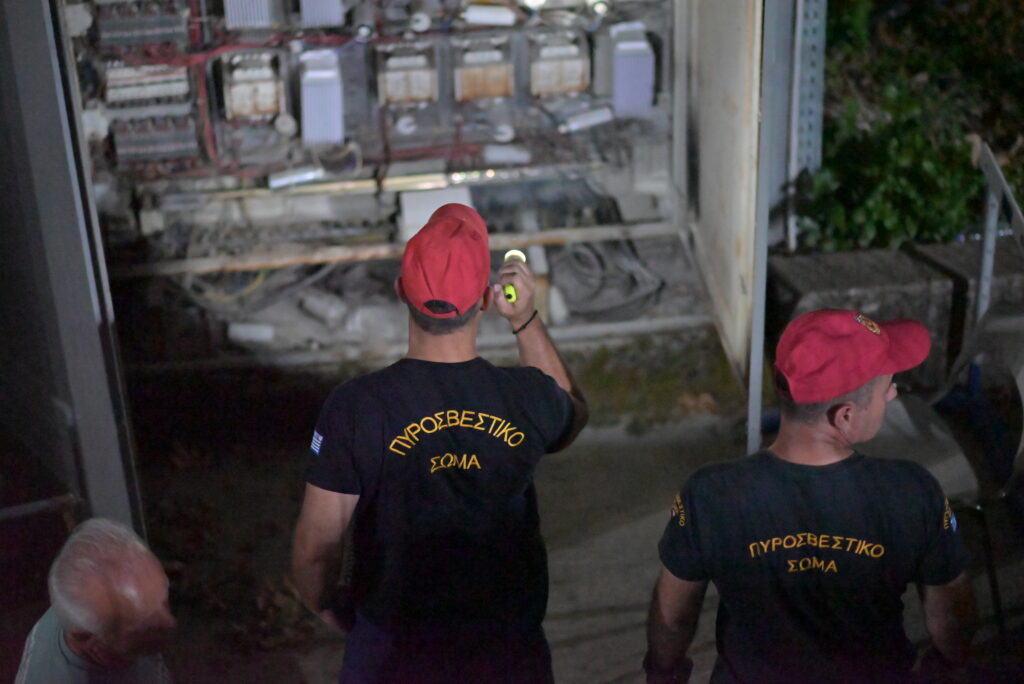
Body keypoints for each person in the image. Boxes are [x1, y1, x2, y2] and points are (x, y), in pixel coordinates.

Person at [291, 203, 588, 682]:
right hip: (507, 650)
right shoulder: (527, 396)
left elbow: (315, 550)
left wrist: (333, 610)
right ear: (486, 300)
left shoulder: (356, 407)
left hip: (394, 650)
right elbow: (572, 413)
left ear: (400, 291)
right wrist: (525, 319)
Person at [645, 309, 977, 683]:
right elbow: (950, 612)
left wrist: (664, 671)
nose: (893, 393)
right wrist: (948, 665)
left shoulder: (709, 493)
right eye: (886, 387)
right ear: (845, 416)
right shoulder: (912, 491)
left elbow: (674, 617)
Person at [16, 518, 176, 683]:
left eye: (164, 601)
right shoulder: (48, 677)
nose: (170, 622)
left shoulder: (84, 608)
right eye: (144, 627)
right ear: (83, 637)